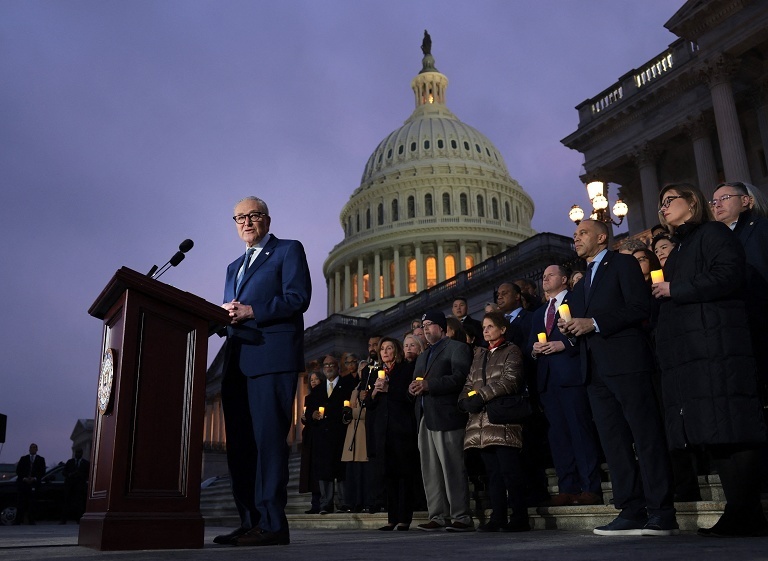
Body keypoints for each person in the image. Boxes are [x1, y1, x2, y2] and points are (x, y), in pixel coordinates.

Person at [653, 183, 768, 537]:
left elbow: (728, 275)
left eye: (671, 200)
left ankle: (746, 511)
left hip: (718, 343)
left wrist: (675, 289)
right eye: (661, 204)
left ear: (692, 203)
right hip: (696, 349)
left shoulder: (713, 233)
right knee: (718, 432)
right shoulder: (682, 246)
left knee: (733, 429)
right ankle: (740, 511)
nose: (664, 208)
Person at [559, 219, 677, 537]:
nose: (576, 237)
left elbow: (639, 307)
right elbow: (580, 324)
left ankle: (662, 511)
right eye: (575, 234)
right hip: (594, 371)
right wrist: (570, 329)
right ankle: (630, 508)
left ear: (601, 236)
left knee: (646, 436)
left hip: (627, 362)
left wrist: (593, 323)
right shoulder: (581, 285)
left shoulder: (622, 264)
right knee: (614, 443)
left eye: (582, 232)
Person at [215, 196, 311, 547]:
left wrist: (252, 311)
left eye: (253, 215)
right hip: (237, 362)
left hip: (271, 360)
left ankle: (272, 525)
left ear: (267, 220)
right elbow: (232, 314)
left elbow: (298, 298)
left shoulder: (287, 251)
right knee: (241, 446)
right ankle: (250, 521)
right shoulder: (232, 267)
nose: (246, 222)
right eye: (240, 217)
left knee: (269, 442)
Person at [528, 265, 602, 507]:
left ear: (563, 279)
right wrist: (535, 350)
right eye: (543, 275)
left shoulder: (575, 299)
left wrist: (565, 345)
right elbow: (531, 344)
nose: (545, 278)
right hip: (548, 381)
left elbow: (584, 333)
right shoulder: (540, 312)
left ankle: (590, 487)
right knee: (558, 437)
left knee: (580, 432)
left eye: (550, 275)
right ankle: (567, 487)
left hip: (571, 376)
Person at [458, 311, 531, 532]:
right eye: (484, 327)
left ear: (502, 329)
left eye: (490, 326)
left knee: (510, 471)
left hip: (502, 419)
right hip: (481, 422)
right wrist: (464, 400)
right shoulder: (480, 355)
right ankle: (498, 517)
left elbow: (511, 380)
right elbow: (470, 382)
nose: (486, 330)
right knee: (493, 474)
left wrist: (482, 396)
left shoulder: (512, 350)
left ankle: (519, 517)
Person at [409, 310, 474, 532]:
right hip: (425, 418)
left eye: (430, 325)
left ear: (442, 327)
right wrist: (413, 388)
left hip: (447, 417)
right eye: (423, 325)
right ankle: (437, 515)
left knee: (452, 468)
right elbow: (418, 381)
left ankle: (461, 516)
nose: (426, 329)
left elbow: (460, 378)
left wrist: (430, 385)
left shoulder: (457, 348)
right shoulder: (422, 355)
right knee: (430, 471)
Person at [367, 337, 419, 531]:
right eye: (382, 349)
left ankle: (404, 518)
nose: (385, 352)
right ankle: (392, 518)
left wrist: (389, 388)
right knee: (388, 474)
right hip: (383, 430)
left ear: (396, 351)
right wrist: (374, 393)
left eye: (389, 348)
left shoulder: (405, 369)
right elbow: (370, 406)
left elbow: (409, 396)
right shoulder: (376, 374)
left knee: (403, 474)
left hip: (402, 428)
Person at [307, 355, 356, 514]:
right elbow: (308, 412)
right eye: (326, 365)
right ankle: (325, 504)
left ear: (337, 367)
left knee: (342, 471)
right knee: (324, 471)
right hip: (322, 436)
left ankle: (344, 503)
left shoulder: (347, 385)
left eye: (332, 365)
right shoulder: (317, 390)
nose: (328, 367)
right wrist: (312, 415)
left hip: (341, 434)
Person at [300, 371, 323, 514]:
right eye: (311, 379)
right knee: (310, 472)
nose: (313, 381)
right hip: (309, 436)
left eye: (316, 379)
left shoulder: (324, 394)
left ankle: (322, 502)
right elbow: (307, 417)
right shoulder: (308, 398)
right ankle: (315, 503)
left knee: (318, 470)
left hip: (320, 434)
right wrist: (304, 418)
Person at [15, 443, 45, 525]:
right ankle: (18, 520)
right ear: (29, 449)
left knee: (32, 503)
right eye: (31, 448)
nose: (32, 449)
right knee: (21, 503)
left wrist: (34, 478)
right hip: (23, 484)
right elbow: (18, 470)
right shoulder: (24, 459)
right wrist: (24, 478)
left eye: (34, 448)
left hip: (34, 484)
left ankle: (31, 520)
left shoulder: (41, 459)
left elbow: (42, 472)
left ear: (37, 449)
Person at [60, 448, 89, 524]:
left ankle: (79, 520)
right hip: (69, 486)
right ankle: (64, 520)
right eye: (77, 452)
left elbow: (88, 474)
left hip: (80, 487)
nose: (78, 454)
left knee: (79, 504)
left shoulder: (86, 463)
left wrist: (81, 476)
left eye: (79, 452)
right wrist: (70, 474)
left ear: (82, 453)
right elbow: (63, 472)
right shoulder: (70, 462)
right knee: (66, 503)